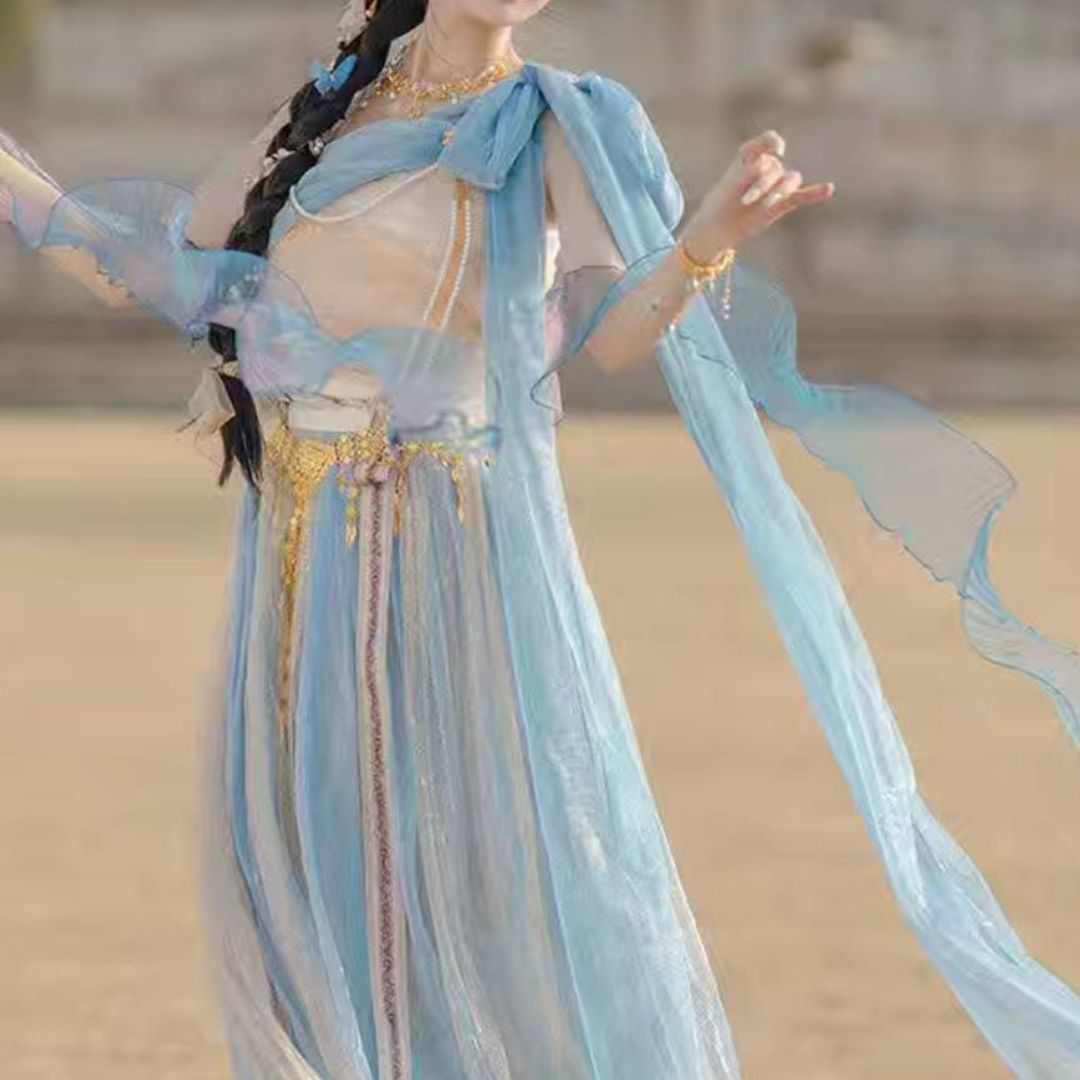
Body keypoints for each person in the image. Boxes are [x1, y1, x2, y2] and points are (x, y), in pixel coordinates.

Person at [2, 1, 1079, 1077]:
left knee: (428, 876)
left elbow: (609, 336)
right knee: (302, 870)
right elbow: (155, 269)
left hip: (430, 541)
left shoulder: (556, 118)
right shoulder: (332, 107)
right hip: (297, 548)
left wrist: (704, 243)